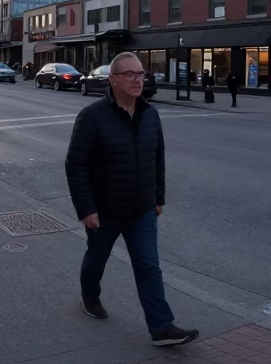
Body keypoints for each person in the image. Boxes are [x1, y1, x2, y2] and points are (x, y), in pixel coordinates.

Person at [65, 52, 199, 348]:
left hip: (142, 210)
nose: (137, 79)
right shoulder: (92, 117)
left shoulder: (151, 114)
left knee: (149, 266)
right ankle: (90, 294)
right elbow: (76, 164)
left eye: (140, 73)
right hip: (104, 210)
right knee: (96, 260)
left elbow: (157, 158)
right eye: (129, 74)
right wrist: (86, 208)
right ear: (113, 80)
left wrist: (158, 198)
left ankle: (162, 327)